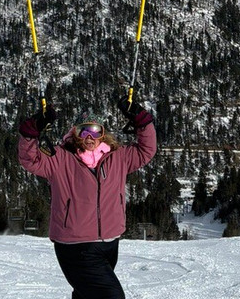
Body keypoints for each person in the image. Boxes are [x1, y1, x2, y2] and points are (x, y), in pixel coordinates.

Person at [18, 93, 157, 299]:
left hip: (110, 241)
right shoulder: (59, 159)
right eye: (83, 131)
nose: (89, 137)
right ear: (75, 133)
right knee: (111, 296)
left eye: (95, 130)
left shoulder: (118, 157)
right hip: (75, 245)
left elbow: (147, 150)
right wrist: (31, 130)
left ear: (102, 133)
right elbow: (30, 160)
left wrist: (141, 120)